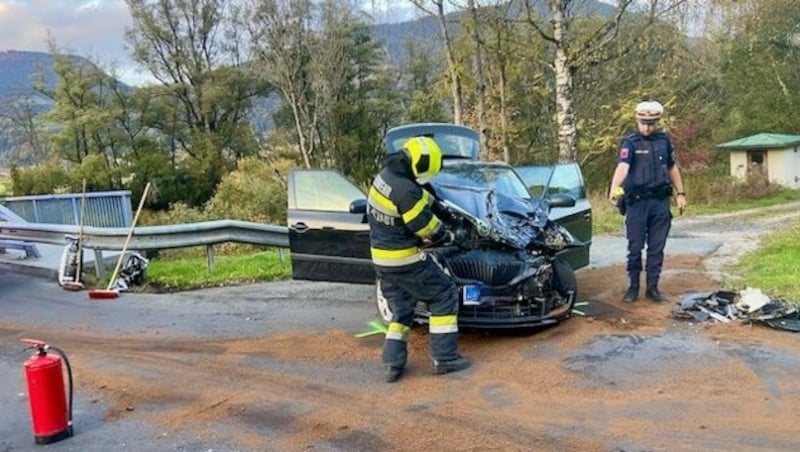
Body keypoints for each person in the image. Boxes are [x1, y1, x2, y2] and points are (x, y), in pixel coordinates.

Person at [367, 136, 470, 383]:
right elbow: (429, 231)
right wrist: (453, 233)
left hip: (382, 260)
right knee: (443, 294)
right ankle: (444, 358)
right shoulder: (408, 191)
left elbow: (420, 195)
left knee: (401, 308)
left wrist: (440, 207)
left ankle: (392, 363)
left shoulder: (387, 176)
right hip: (404, 259)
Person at [609, 101, 687, 304]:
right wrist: (614, 188)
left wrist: (681, 193)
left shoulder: (664, 141)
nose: (647, 127)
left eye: (651, 123)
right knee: (635, 248)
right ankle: (633, 288)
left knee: (656, 248)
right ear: (637, 120)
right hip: (637, 203)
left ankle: (652, 288)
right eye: (643, 123)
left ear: (657, 122)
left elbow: (672, 168)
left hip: (660, 202)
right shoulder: (630, 142)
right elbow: (623, 167)